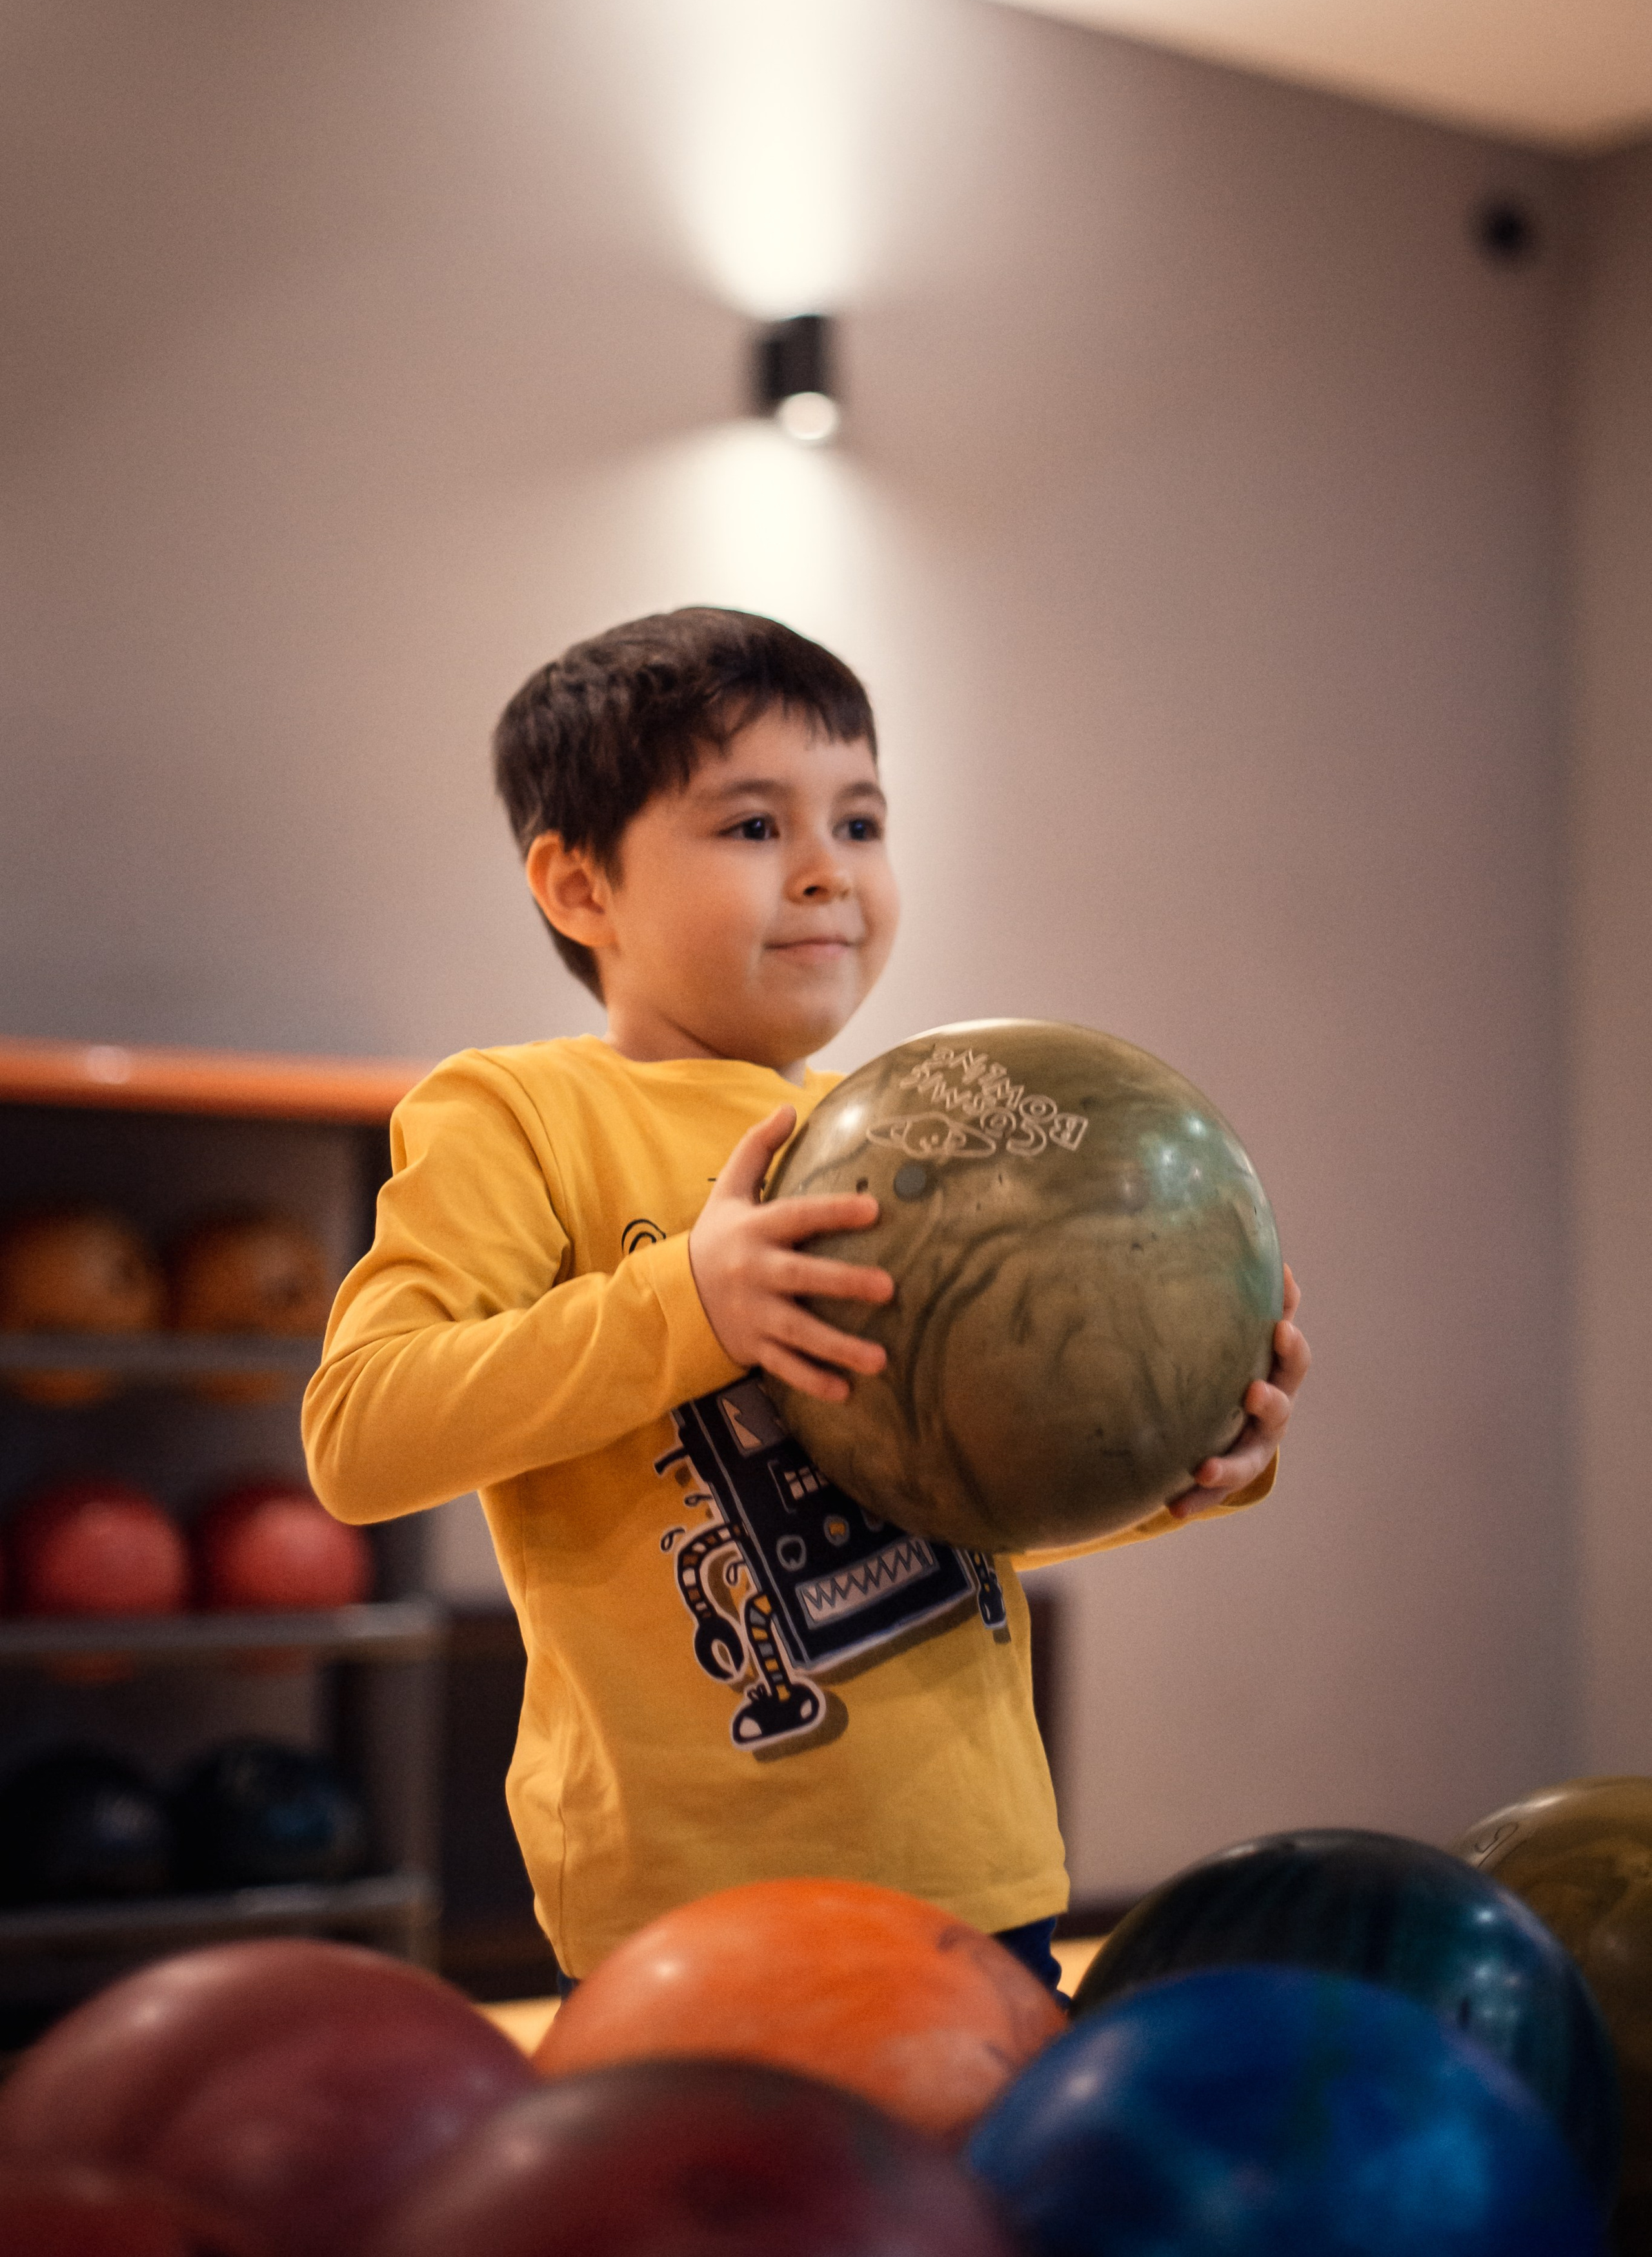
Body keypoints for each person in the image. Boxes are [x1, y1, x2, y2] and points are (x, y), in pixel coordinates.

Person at [303, 607, 1309, 1994]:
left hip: (978, 1875)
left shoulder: (895, 1132)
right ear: (578, 887)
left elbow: (947, 1506)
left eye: (860, 823)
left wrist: (1179, 1460)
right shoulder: (519, 1112)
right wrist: (687, 1305)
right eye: (754, 828)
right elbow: (360, 1434)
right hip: (694, 1915)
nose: (829, 874)